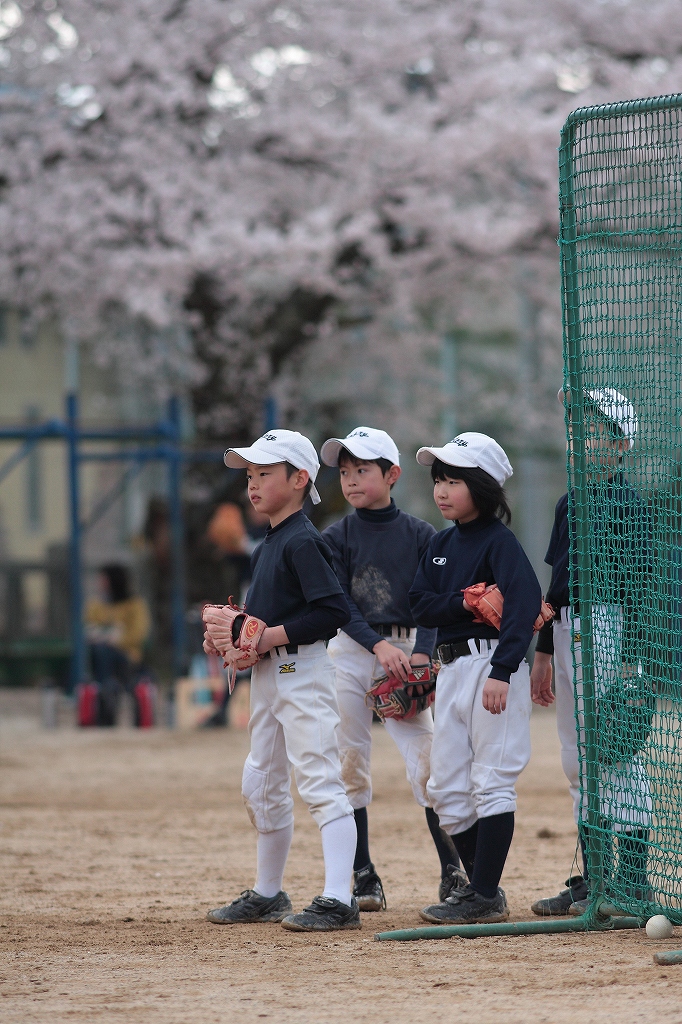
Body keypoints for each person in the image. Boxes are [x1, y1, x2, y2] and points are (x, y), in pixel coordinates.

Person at [205, 429, 361, 932]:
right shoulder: (269, 544)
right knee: (262, 782)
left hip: (304, 670)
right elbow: (259, 623)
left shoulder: (303, 541)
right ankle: (269, 893)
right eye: (249, 475)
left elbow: (331, 612)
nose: (252, 484)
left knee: (318, 777)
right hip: (272, 675)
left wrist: (265, 635)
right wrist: (232, 637)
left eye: (264, 473)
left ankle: (341, 897)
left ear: (300, 479)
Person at [320, 426, 465, 911]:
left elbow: (431, 601)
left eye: (363, 469)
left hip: (408, 651)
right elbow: (339, 604)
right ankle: (364, 877)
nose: (352, 479)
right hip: (352, 650)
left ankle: (453, 871)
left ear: (392, 474)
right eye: (344, 471)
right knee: (350, 763)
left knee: (428, 763)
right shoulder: (336, 535)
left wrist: (423, 652)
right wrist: (379, 647)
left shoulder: (422, 534)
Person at [409, 432, 542, 924]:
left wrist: (504, 669)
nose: (442, 490)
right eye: (439, 480)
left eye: (454, 481)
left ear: (482, 487)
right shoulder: (441, 543)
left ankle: (483, 893)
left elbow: (524, 604)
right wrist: (465, 600)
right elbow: (419, 603)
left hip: (492, 666)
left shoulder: (499, 542)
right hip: (452, 668)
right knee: (445, 788)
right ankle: (483, 891)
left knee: (492, 781)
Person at [530, 387, 652, 916]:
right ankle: (593, 878)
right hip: (569, 630)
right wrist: (542, 650)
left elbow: (643, 588)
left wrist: (631, 656)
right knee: (576, 756)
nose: (580, 437)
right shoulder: (568, 502)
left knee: (618, 748)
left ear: (622, 443)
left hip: (611, 626)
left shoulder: (629, 502)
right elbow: (557, 587)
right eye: (577, 427)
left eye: (595, 429)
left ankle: (633, 876)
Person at [85, 564, 151, 725]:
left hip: (126, 656)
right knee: (100, 651)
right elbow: (87, 628)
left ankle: (106, 691)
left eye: (103, 580)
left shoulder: (134, 604)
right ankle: (105, 691)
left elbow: (139, 633)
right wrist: (103, 635)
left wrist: (116, 639)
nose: (99, 584)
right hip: (100, 652)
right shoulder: (96, 604)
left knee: (104, 652)